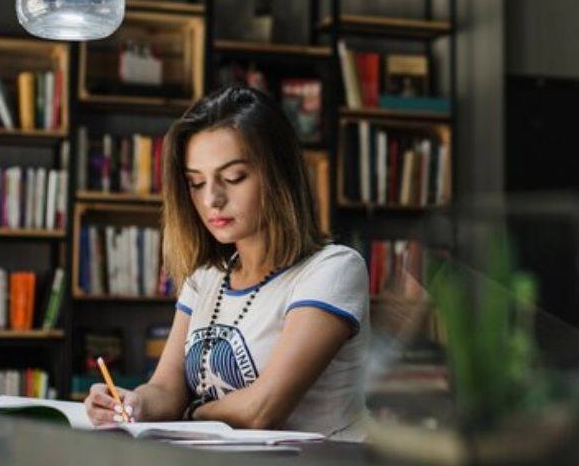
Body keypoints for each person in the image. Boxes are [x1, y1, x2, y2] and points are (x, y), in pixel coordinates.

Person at [84, 86, 369, 440]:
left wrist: (187, 412)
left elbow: (261, 410)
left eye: (233, 177)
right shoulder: (205, 278)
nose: (212, 199)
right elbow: (166, 388)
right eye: (196, 182)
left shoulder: (333, 270)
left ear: (279, 174)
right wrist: (134, 403)